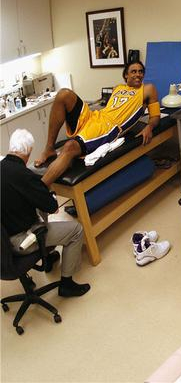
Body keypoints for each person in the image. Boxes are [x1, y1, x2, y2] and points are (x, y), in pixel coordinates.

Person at [33, 60, 161, 187]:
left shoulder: (148, 89)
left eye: (141, 72)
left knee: (70, 146)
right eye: (134, 71)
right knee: (63, 94)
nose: (138, 74)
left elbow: (155, 116)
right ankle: (49, 148)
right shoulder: (118, 88)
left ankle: (38, 190)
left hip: (108, 127)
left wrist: (149, 127)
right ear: (126, 75)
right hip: (95, 116)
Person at [1, 129, 90, 297]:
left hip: (3, 242)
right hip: (21, 241)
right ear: (29, 151)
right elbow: (52, 207)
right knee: (76, 230)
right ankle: (67, 284)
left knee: (38, 209)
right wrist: (47, 193)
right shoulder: (24, 175)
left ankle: (47, 257)